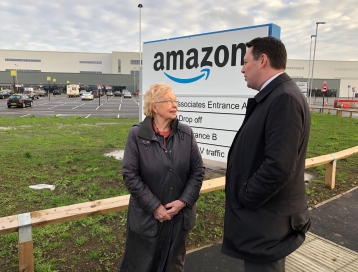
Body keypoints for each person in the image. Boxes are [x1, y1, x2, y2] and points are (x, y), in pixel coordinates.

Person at [221, 36, 311, 272]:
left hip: (267, 224)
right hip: (265, 222)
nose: (242, 68)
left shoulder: (284, 99)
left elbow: (279, 166)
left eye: (245, 62)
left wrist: (246, 195)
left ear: (262, 60)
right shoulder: (275, 96)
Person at [120, 83, 205, 272]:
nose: (175, 105)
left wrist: (183, 202)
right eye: (169, 101)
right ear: (154, 106)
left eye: (175, 100)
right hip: (147, 221)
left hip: (179, 219)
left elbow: (198, 171)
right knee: (142, 266)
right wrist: (155, 207)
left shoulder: (186, 133)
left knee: (173, 267)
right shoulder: (136, 135)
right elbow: (130, 175)